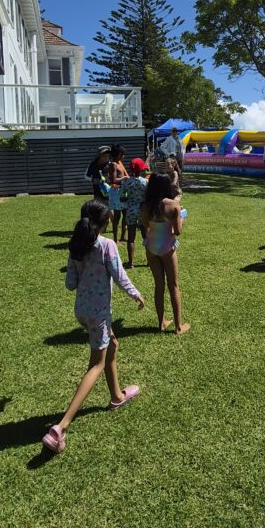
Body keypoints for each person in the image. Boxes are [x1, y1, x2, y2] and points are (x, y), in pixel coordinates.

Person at [41, 200, 145, 455]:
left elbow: (70, 284)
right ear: (106, 222)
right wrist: (136, 295)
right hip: (98, 314)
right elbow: (120, 277)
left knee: (112, 346)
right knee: (96, 365)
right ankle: (61, 427)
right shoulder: (107, 245)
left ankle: (117, 397)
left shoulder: (77, 246)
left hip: (82, 311)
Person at [141, 173, 191, 334]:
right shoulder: (173, 206)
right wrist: (181, 216)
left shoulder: (145, 205)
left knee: (159, 286)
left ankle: (161, 322)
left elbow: (145, 226)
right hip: (167, 248)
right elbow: (178, 231)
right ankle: (178, 326)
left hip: (151, 246)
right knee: (174, 285)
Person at [119, 158, 149, 269]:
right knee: (146, 237)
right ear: (141, 169)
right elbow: (148, 196)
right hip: (143, 210)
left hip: (131, 210)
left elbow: (122, 198)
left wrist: (129, 199)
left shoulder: (126, 182)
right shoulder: (145, 182)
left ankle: (131, 262)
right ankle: (149, 261)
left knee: (131, 238)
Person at [106, 145, 129, 242]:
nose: (124, 156)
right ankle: (115, 239)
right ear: (119, 154)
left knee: (126, 214)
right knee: (117, 216)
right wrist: (124, 178)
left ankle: (123, 236)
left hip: (123, 190)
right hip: (116, 191)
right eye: (123, 154)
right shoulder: (113, 164)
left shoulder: (120, 163)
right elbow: (113, 180)